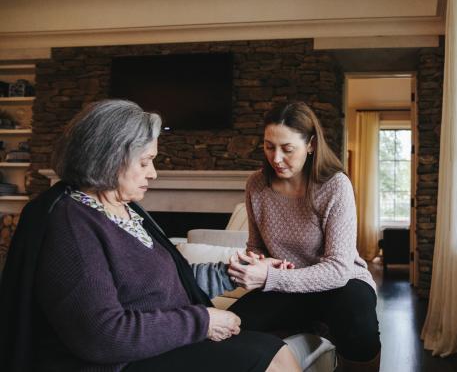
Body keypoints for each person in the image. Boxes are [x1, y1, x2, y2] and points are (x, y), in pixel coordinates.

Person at [0, 100, 300, 372]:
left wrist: (232, 273)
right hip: (117, 363)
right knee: (266, 356)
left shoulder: (125, 209)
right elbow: (102, 336)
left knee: (274, 350)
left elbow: (163, 282)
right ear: (108, 158)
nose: (153, 173)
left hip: (152, 347)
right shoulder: (71, 223)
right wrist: (204, 321)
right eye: (144, 162)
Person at [227, 102, 381, 371]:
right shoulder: (257, 184)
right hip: (286, 285)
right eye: (269, 146)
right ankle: (308, 325)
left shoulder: (334, 186)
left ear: (310, 145)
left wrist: (270, 276)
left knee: (359, 321)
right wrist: (254, 264)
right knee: (231, 327)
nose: (276, 158)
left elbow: (338, 269)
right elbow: (256, 246)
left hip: (340, 285)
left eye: (287, 149)